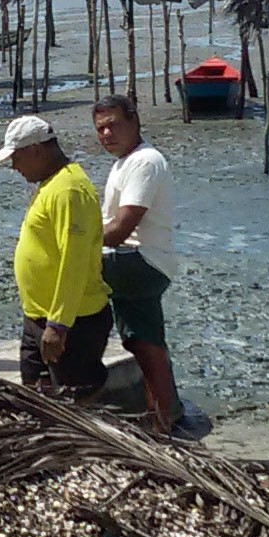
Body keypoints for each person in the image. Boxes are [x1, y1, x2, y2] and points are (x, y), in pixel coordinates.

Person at [0, 115, 113, 396]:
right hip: (38, 318)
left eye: (16, 158)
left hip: (72, 323)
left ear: (35, 150)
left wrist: (58, 325)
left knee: (74, 404)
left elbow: (75, 260)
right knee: (35, 397)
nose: (14, 166)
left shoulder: (69, 190)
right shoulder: (52, 184)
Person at [91, 93, 181, 434]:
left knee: (146, 345)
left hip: (141, 260)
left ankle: (161, 422)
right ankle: (162, 414)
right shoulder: (124, 163)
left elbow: (121, 228)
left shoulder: (145, 162)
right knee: (142, 342)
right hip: (136, 260)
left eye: (113, 125)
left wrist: (74, 246)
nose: (106, 134)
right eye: (100, 129)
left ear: (134, 121)